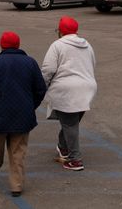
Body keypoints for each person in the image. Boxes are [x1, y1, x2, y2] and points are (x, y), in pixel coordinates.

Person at [0, 31, 46, 197]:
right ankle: (16, 185)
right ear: (18, 45)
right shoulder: (30, 62)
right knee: (18, 151)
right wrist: (31, 106)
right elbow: (40, 89)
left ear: (1, 45)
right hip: (22, 115)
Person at [41, 16, 97, 171]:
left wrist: (41, 86)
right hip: (87, 88)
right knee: (70, 123)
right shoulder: (87, 45)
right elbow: (92, 64)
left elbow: (48, 69)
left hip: (67, 90)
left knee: (69, 124)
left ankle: (75, 159)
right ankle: (63, 148)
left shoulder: (57, 45)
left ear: (60, 31)